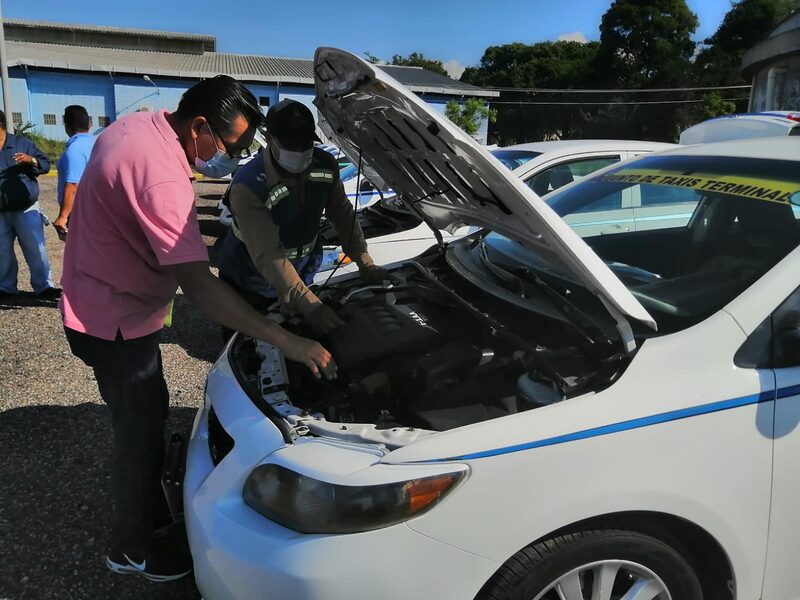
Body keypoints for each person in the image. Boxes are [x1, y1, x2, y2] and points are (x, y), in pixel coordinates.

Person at [60, 76, 336, 583]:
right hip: (112, 321)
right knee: (139, 432)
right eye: (231, 145)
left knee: (147, 415)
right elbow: (201, 287)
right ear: (202, 126)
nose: (232, 155)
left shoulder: (140, 126)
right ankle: (131, 549)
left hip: (101, 302)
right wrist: (287, 340)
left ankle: (148, 510)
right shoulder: (161, 175)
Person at [217, 99, 389, 336]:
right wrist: (310, 305)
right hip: (250, 281)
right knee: (251, 344)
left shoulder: (325, 165)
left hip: (302, 271)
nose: (299, 152)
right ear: (270, 139)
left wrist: (364, 260)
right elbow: (267, 254)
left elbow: (343, 214)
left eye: (305, 144)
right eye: (290, 145)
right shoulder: (248, 185)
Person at [0, 110, 59, 299]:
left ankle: (44, 286)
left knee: (36, 248)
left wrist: (29, 159)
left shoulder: (21, 143)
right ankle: (6, 287)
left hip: (26, 209)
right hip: (1, 211)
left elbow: (44, 165)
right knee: (2, 252)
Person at [53, 105, 94, 240]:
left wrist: (63, 216)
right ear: (89, 123)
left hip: (81, 214)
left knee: (84, 253)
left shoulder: (75, 150)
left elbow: (73, 185)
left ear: (66, 125)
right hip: (95, 210)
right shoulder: (96, 143)